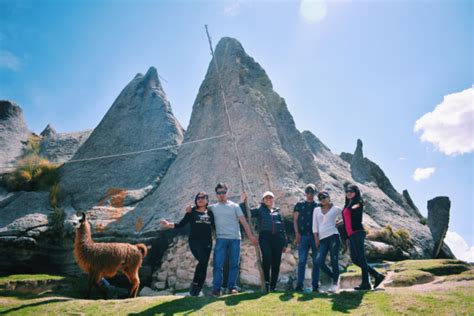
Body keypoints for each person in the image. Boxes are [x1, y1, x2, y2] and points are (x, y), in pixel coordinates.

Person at [206, 183, 258, 296]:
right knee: (218, 264)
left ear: (227, 192)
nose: (221, 195)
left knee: (234, 264)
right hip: (221, 239)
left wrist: (251, 236)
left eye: (223, 192)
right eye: (219, 193)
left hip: (235, 238)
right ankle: (216, 289)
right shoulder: (213, 207)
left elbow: (244, 222)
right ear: (216, 194)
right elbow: (200, 208)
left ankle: (231, 287)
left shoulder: (235, 206)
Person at [160, 192, 214, 296]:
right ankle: (195, 285)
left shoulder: (210, 213)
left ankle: (197, 289)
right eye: (198, 198)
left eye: (203, 198)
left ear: (207, 201)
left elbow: (215, 226)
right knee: (202, 260)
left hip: (207, 242)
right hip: (195, 241)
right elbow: (181, 224)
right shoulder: (191, 212)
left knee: (204, 264)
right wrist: (168, 224)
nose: (200, 199)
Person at [241, 191, 288, 293]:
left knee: (276, 262)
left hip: (277, 238)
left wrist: (285, 243)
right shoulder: (259, 209)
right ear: (263, 200)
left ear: (273, 199)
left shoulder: (277, 211)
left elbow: (283, 228)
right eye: (266, 198)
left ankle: (273, 286)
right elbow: (247, 212)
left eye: (270, 198)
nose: (268, 200)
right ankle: (266, 282)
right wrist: (243, 202)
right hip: (265, 237)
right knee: (267, 258)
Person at [343, 184, 385, 290]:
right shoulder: (348, 204)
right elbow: (347, 219)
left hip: (357, 232)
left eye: (351, 191)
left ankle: (366, 283)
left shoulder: (356, 203)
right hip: (351, 235)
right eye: (347, 191)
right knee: (355, 260)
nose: (349, 193)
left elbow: (356, 208)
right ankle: (377, 275)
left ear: (356, 193)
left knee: (361, 258)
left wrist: (360, 203)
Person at [313, 191, 342, 292]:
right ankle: (334, 277)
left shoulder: (336, 209)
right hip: (322, 239)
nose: (323, 199)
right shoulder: (316, 210)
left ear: (329, 198)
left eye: (325, 197)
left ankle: (335, 283)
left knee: (334, 260)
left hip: (334, 236)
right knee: (318, 261)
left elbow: (345, 216)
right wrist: (316, 238)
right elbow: (315, 225)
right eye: (320, 198)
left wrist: (338, 223)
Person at [293, 183, 320, 292]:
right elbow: (295, 220)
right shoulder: (299, 205)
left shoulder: (318, 205)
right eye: (308, 192)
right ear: (305, 193)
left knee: (316, 261)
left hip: (315, 237)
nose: (310, 194)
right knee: (302, 261)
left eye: (312, 192)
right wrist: (297, 233)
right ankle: (299, 285)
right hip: (303, 236)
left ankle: (315, 286)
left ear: (315, 193)